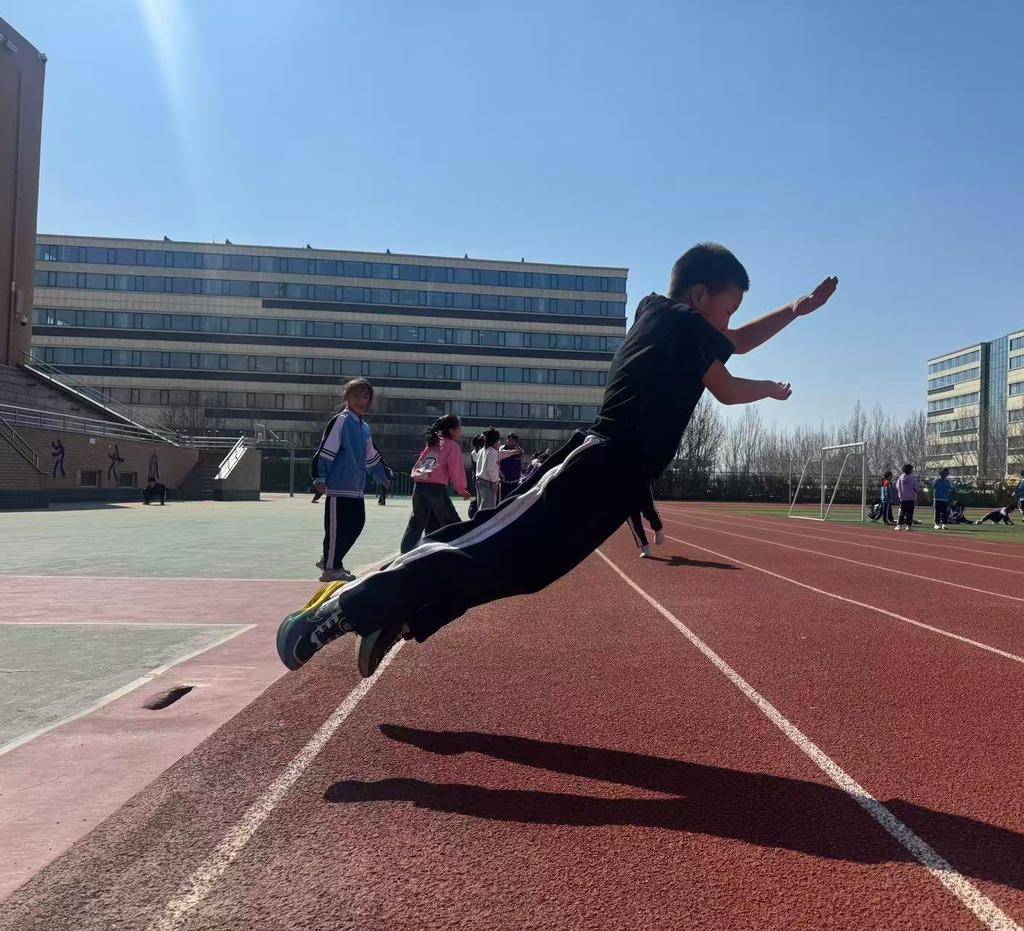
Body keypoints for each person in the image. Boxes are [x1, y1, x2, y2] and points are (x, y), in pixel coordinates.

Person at [277, 243, 838, 677]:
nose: (728, 323)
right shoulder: (673, 320)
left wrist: (788, 329)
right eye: (728, 309)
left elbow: (729, 361)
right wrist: (784, 343)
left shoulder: (684, 333)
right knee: (487, 541)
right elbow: (731, 373)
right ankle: (339, 609)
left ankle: (403, 613)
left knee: (527, 571)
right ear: (698, 296)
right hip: (597, 462)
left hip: (622, 479)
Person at [310, 378, 391, 583]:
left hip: (356, 488)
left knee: (356, 525)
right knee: (336, 531)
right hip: (338, 488)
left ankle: (331, 560)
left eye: (364, 397)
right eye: (355, 396)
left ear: (369, 400)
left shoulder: (364, 427)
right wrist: (320, 477)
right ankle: (331, 568)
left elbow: (371, 456)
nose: (360, 401)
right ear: (346, 397)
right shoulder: (342, 421)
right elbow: (326, 451)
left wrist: (383, 476)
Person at [400, 414, 473, 554]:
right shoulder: (452, 445)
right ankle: (464, 548)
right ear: (451, 430)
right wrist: (461, 489)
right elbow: (456, 469)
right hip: (435, 488)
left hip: (419, 486)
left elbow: (425, 465)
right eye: (459, 428)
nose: (461, 431)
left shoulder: (433, 443)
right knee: (450, 520)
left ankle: (405, 552)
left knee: (418, 522)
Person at [475, 428, 522, 511]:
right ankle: (485, 520)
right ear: (495, 441)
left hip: (479, 481)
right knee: (488, 508)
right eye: (498, 441)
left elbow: (500, 454)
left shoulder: (482, 450)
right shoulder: (492, 452)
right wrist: (494, 482)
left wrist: (512, 452)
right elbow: (490, 469)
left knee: (481, 506)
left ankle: (479, 518)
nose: (499, 443)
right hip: (488, 483)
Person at [628, 485, 665, 557]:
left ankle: (658, 529)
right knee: (633, 521)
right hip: (623, 489)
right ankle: (644, 547)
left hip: (641, 483)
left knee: (649, 511)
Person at [499, 434, 524, 499]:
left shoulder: (519, 450)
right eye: (509, 440)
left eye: (513, 441)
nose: (510, 442)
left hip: (515, 480)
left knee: (513, 498)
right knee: (503, 498)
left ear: (516, 442)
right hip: (504, 480)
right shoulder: (502, 449)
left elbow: (518, 455)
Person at [895, 463, 919, 531]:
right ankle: (908, 526)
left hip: (903, 498)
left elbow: (897, 486)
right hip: (911, 498)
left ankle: (899, 525)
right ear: (910, 470)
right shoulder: (912, 478)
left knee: (902, 512)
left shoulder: (900, 477)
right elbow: (916, 487)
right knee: (910, 513)